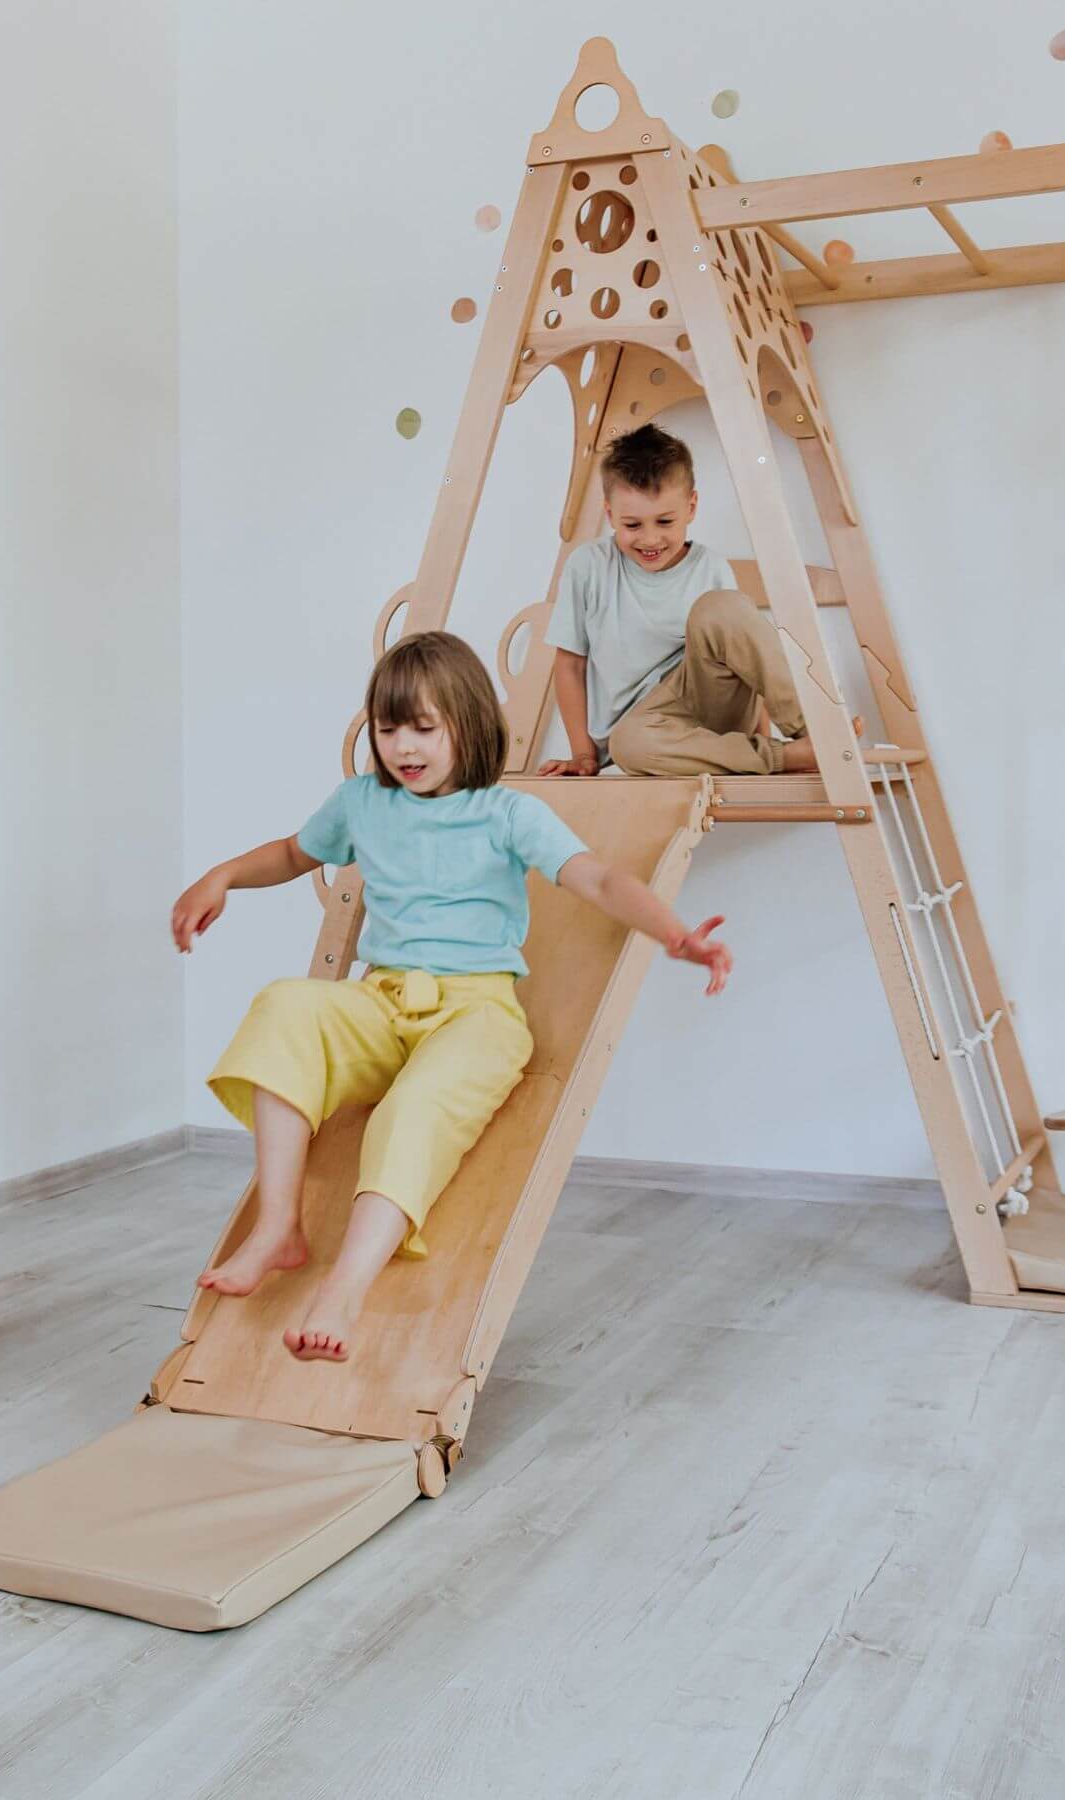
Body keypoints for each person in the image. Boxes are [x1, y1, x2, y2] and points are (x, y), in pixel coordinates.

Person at [172, 629, 731, 1362]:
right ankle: (278, 1226)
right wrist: (220, 876)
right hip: (383, 1002)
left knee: (415, 1109)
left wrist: (675, 934)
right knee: (286, 1005)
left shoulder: (507, 812)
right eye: (389, 727)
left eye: (425, 727)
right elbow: (290, 852)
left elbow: (596, 879)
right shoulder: (361, 802)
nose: (405, 746)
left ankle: (344, 1285)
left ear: (467, 725)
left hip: (477, 1013)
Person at [538, 422, 856, 778]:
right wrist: (583, 755)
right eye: (632, 525)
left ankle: (821, 734)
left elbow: (748, 656)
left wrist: (762, 731)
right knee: (627, 745)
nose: (650, 538)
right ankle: (781, 756)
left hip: (710, 706)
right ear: (610, 514)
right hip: (646, 733)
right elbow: (570, 666)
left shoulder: (710, 568)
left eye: (664, 521)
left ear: (691, 507)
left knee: (722, 607)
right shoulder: (588, 567)